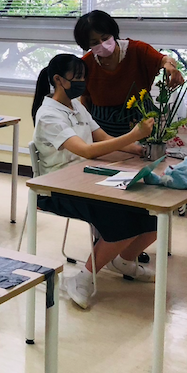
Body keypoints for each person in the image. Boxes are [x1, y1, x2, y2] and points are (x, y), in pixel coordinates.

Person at [32, 53, 158, 310]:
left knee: (151, 218)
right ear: (58, 79)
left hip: (86, 177)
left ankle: (123, 261)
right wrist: (132, 135)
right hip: (59, 187)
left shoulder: (76, 106)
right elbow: (87, 151)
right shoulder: (48, 115)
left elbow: (101, 139)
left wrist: (136, 148)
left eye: (83, 77)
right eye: (76, 77)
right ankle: (82, 280)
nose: (82, 82)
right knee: (121, 221)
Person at [74, 10, 184, 137]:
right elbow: (85, 98)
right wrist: (87, 127)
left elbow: (164, 60)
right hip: (103, 129)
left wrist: (170, 67)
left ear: (112, 33)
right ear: (87, 45)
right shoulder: (86, 64)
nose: (102, 44)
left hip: (140, 122)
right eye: (94, 43)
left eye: (105, 38)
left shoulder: (137, 50)